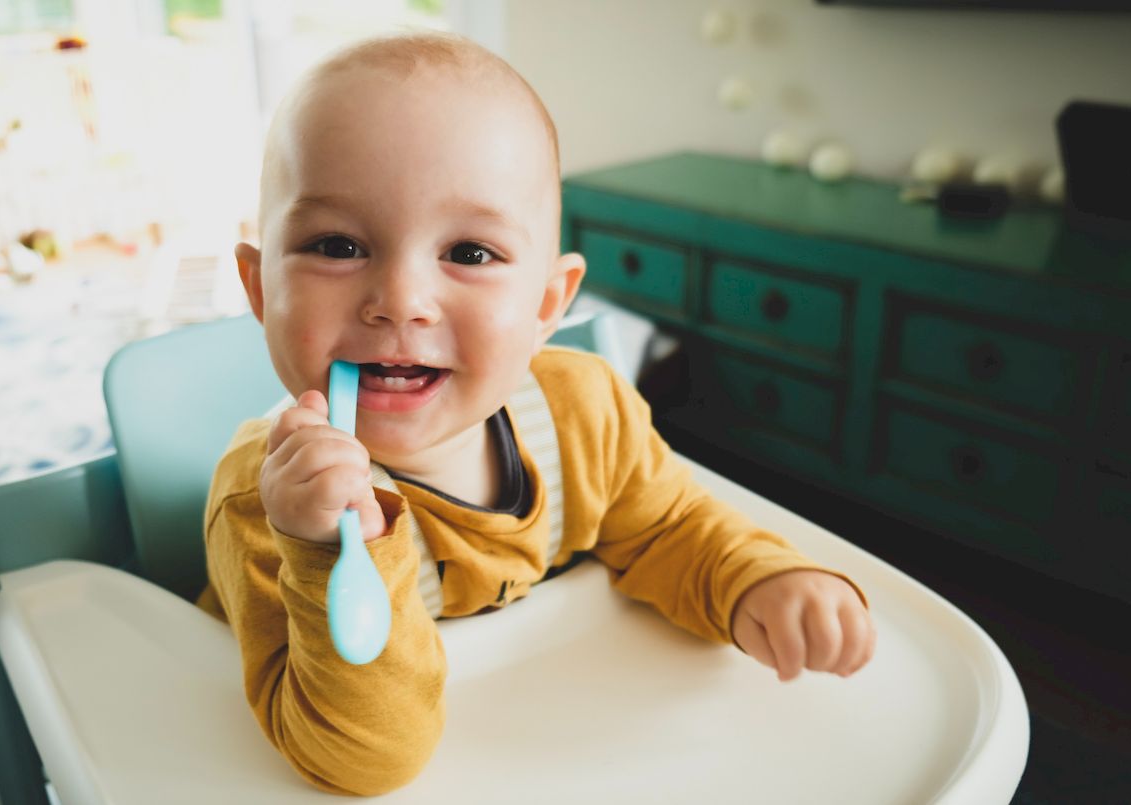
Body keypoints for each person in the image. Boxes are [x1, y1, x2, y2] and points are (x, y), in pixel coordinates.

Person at [196, 31, 875, 796]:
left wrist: (759, 580)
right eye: (337, 244)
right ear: (259, 289)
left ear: (550, 302)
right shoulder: (265, 504)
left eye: (471, 252)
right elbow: (360, 759)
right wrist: (325, 548)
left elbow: (667, 527)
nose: (401, 302)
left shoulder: (582, 413)